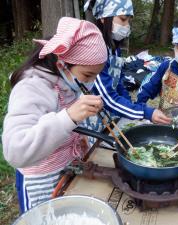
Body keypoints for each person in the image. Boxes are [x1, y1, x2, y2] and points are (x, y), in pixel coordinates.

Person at [2, 17, 107, 213]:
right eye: (87, 75)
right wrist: (68, 118)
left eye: (96, 75)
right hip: (40, 179)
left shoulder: (68, 81)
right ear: (62, 64)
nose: (91, 83)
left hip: (66, 170)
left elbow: (69, 125)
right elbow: (14, 150)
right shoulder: (31, 86)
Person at [84, 0, 170, 126]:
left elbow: (118, 84)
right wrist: (145, 112)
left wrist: (132, 107)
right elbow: (107, 97)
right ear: (103, 18)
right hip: (90, 118)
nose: (127, 25)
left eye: (129, 20)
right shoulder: (94, 50)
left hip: (109, 115)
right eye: (123, 19)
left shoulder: (113, 49)